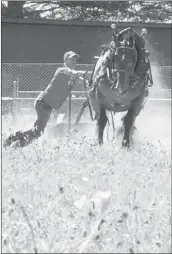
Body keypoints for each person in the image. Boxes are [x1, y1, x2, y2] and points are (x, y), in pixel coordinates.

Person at [3, 51, 86, 148]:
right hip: (43, 103)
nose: (74, 61)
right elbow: (72, 72)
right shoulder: (62, 70)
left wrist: (94, 80)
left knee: (37, 132)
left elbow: (85, 83)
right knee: (38, 131)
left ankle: (16, 145)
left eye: (75, 60)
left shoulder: (73, 77)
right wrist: (83, 73)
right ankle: (12, 139)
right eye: (72, 59)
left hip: (47, 105)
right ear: (65, 60)